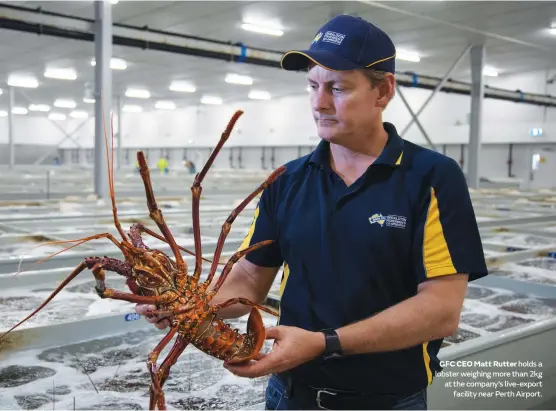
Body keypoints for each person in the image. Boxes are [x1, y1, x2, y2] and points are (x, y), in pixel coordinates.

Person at [136, 14, 488, 410]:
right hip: (288, 396)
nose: (319, 103)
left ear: (383, 90)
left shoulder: (432, 177)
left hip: (387, 401)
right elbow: (250, 278)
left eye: (338, 88)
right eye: (312, 85)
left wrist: (324, 343)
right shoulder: (285, 181)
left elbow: (441, 310)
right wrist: (189, 309)